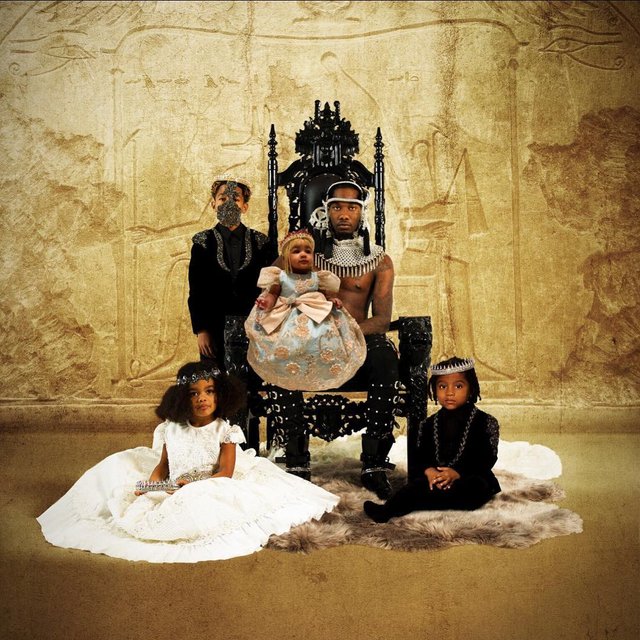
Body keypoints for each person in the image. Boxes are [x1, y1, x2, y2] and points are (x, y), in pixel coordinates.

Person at [36, 362, 339, 563]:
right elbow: (163, 465)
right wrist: (154, 485)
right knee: (121, 474)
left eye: (209, 392)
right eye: (194, 393)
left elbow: (226, 472)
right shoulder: (171, 429)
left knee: (197, 503)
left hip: (210, 482)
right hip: (175, 482)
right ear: (183, 398)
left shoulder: (225, 431)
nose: (202, 399)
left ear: (220, 396)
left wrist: (193, 484)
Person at [267, 181, 401, 498]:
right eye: (337, 207)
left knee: (385, 355)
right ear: (325, 212)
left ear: (361, 213)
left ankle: (374, 463)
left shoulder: (379, 261)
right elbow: (271, 281)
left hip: (357, 338)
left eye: (351, 207)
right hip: (310, 339)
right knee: (281, 352)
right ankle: (297, 459)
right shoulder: (306, 252)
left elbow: (382, 320)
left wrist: (344, 332)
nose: (343, 214)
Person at [363, 356, 501, 523]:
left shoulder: (485, 422)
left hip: (468, 477)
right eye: (442, 386)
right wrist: (430, 471)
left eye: (458, 386)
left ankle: (432, 499)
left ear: (471, 389)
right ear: (434, 390)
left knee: (475, 487)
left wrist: (457, 472)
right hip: (436, 478)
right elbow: (420, 455)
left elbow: (486, 458)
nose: (449, 392)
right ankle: (387, 511)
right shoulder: (427, 425)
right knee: (414, 487)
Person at [244, 229, 367, 391]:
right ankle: (288, 369)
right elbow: (273, 294)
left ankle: (321, 367)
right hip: (287, 316)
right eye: (296, 251)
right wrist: (266, 302)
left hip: (315, 315)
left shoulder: (318, 277)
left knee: (325, 341)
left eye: (308, 252)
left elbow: (326, 295)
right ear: (286, 257)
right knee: (286, 344)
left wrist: (332, 300)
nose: (303, 255)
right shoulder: (280, 276)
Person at [187, 175, 277, 368]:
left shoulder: (260, 242)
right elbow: (197, 290)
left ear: (245, 206)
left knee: (251, 380)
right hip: (214, 326)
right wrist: (202, 330)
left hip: (254, 325)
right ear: (213, 204)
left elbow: (272, 286)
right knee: (217, 378)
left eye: (235, 198)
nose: (228, 203)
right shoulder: (202, 242)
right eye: (222, 198)